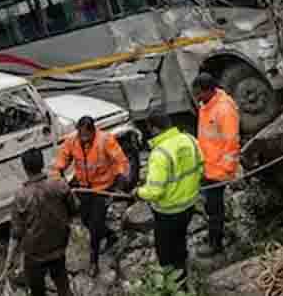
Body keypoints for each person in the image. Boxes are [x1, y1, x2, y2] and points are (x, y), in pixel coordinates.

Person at [53, 115, 132, 276]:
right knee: (86, 220)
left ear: (93, 132)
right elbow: (60, 162)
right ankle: (110, 235)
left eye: (86, 136)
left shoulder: (105, 140)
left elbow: (121, 162)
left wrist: (121, 182)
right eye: (80, 136)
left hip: (102, 188)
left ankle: (94, 261)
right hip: (83, 188)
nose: (83, 139)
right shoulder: (72, 141)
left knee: (95, 226)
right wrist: (58, 178)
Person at [136, 109, 203, 284]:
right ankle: (183, 275)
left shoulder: (160, 153)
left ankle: (174, 285)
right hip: (189, 205)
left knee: (165, 252)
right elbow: (201, 166)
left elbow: (155, 192)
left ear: (154, 128)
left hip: (168, 212)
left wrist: (138, 192)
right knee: (180, 241)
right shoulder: (190, 139)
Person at [8, 148, 77, 296]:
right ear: (42, 163)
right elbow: (74, 209)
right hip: (59, 247)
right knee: (62, 284)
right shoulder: (60, 185)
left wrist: (9, 261)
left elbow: (16, 233)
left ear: (25, 168)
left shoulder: (20, 196)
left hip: (35, 254)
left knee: (37, 291)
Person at [193, 73, 239, 257]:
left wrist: (225, 170)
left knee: (214, 208)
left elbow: (231, 143)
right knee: (211, 206)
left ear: (209, 91)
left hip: (218, 170)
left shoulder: (224, 110)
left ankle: (216, 244)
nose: (197, 97)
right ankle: (215, 235)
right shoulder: (206, 105)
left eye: (199, 93)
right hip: (208, 165)